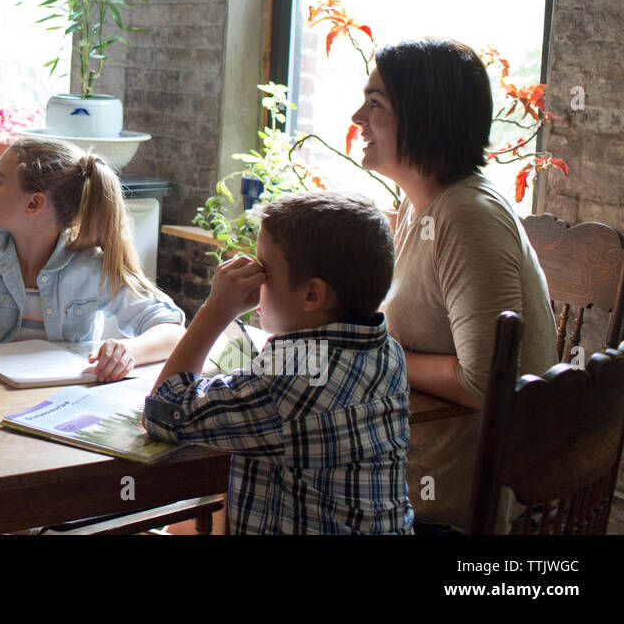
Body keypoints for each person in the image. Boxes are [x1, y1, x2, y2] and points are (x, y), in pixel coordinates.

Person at [351, 37, 556, 533]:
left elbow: (488, 383)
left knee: (254, 482)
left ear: (423, 117)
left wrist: (379, 354)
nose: (358, 117)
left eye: (375, 103)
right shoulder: (423, 207)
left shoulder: (466, 216)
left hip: (444, 504)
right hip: (415, 473)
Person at [144, 191, 412, 534]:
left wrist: (216, 311)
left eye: (264, 268)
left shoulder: (290, 379)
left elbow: (163, 410)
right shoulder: (386, 350)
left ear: (312, 295)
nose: (254, 276)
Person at [0, 136, 184, 382]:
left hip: (64, 400)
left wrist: (129, 351)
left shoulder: (91, 265)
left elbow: (172, 331)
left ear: (34, 204)